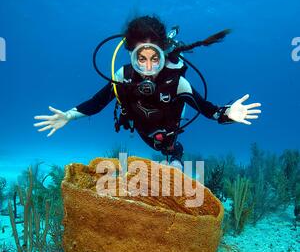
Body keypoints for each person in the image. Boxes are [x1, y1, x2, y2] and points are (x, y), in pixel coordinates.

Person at [33, 15, 261, 170]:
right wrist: (68, 116)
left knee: (171, 154)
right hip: (140, 128)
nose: (149, 67)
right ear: (132, 54)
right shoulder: (124, 76)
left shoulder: (177, 83)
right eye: (141, 59)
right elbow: (97, 102)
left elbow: (208, 110)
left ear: (163, 55)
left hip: (166, 134)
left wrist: (228, 113)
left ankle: (175, 157)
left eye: (155, 58)